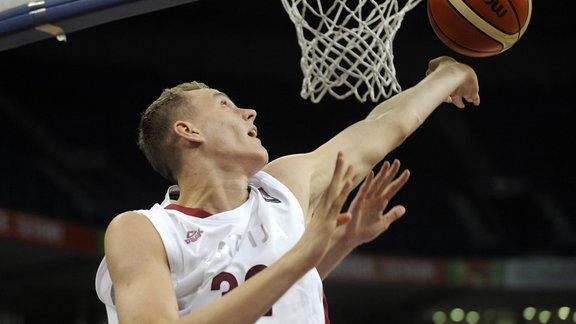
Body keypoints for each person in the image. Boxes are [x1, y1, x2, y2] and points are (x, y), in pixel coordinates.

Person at [95, 55, 480, 324]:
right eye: (225, 104)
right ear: (188, 131)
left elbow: (381, 128)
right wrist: (301, 259)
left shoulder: (281, 188)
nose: (249, 113)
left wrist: (446, 75)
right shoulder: (143, 230)